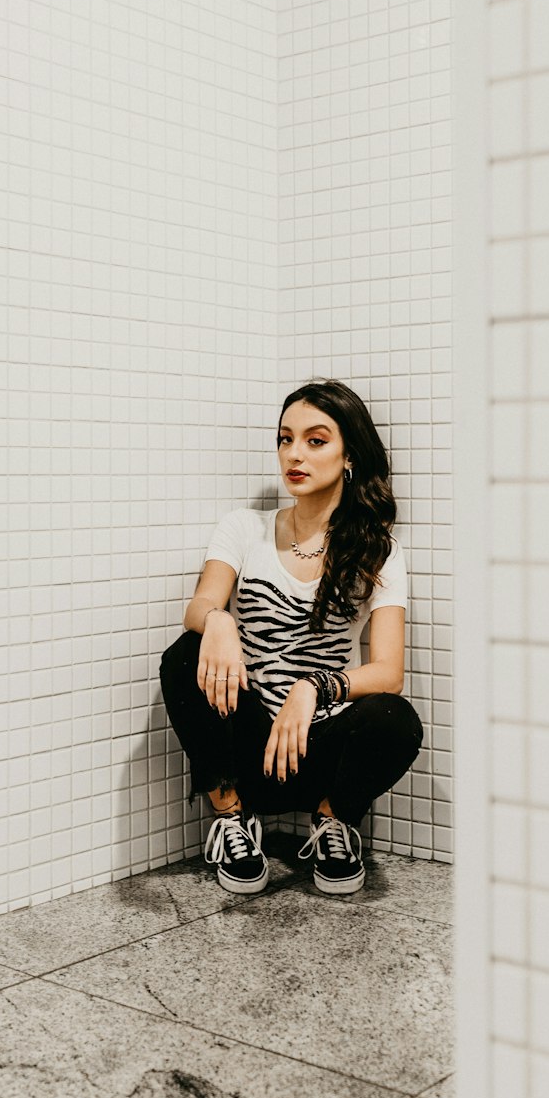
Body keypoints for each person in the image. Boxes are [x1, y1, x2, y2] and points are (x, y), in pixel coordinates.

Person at [159, 378, 424, 897]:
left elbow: (388, 671)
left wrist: (313, 688)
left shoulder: (378, 551)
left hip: (321, 750)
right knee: (182, 656)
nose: (294, 454)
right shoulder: (244, 527)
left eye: (315, 440)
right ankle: (232, 817)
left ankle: (333, 822)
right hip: (248, 744)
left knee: (395, 718)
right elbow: (200, 603)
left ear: (350, 455)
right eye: (285, 438)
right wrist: (218, 621)